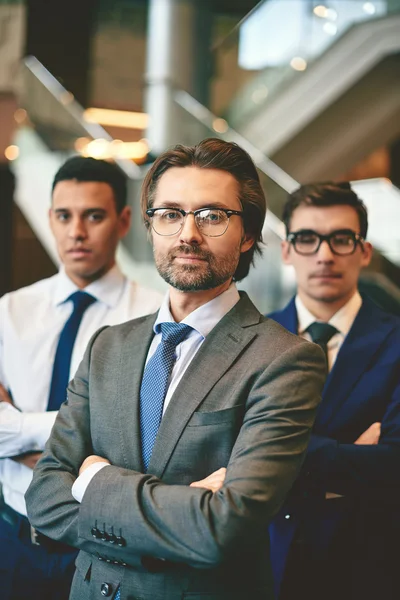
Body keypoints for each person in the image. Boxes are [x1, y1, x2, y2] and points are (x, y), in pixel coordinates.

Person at [26, 138, 326, 600]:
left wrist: (91, 482)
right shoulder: (108, 345)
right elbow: (44, 499)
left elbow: (221, 529)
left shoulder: (285, 360)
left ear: (247, 234)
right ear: (149, 228)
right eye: (170, 214)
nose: (188, 233)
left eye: (212, 216)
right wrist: (181, 509)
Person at [0, 156, 163, 600]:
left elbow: (137, 444)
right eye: (63, 216)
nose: (76, 231)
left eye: (94, 215)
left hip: (107, 548)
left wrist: (18, 428)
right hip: (13, 537)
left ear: (124, 220)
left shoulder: (155, 319)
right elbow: (98, 438)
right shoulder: (9, 311)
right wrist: (74, 437)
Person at [267, 182, 400, 600]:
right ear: (287, 251)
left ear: (364, 251)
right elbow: (220, 449)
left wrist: (271, 456)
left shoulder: (397, 340)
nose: (324, 255)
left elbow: (394, 465)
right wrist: (352, 460)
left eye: (341, 239)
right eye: (307, 239)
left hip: (367, 565)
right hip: (260, 564)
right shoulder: (252, 340)